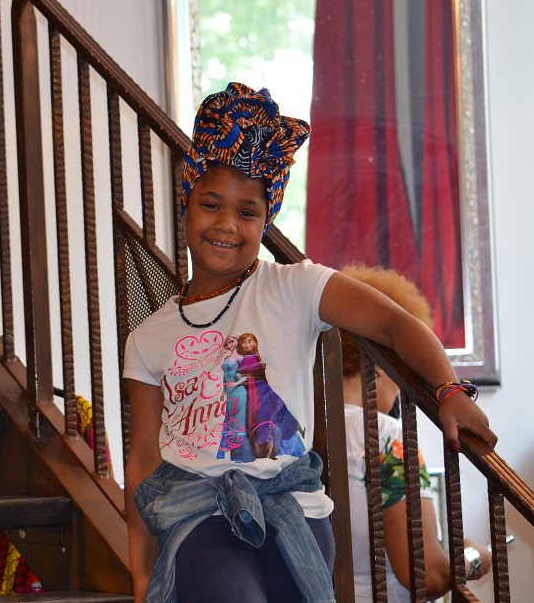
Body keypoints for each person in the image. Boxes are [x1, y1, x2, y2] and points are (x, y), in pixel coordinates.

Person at [122, 82, 497, 603]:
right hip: (201, 517)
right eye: (211, 204)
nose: (227, 224)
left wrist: (449, 391)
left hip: (295, 515)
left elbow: (395, 323)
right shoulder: (148, 338)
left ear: (266, 220)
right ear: (186, 206)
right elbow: (143, 459)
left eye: (247, 212)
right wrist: (141, 572)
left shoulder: (294, 286)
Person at [338, 264, 492, 602]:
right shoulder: (385, 436)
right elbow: (425, 576)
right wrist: (474, 556)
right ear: (383, 364)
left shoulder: (302, 433)